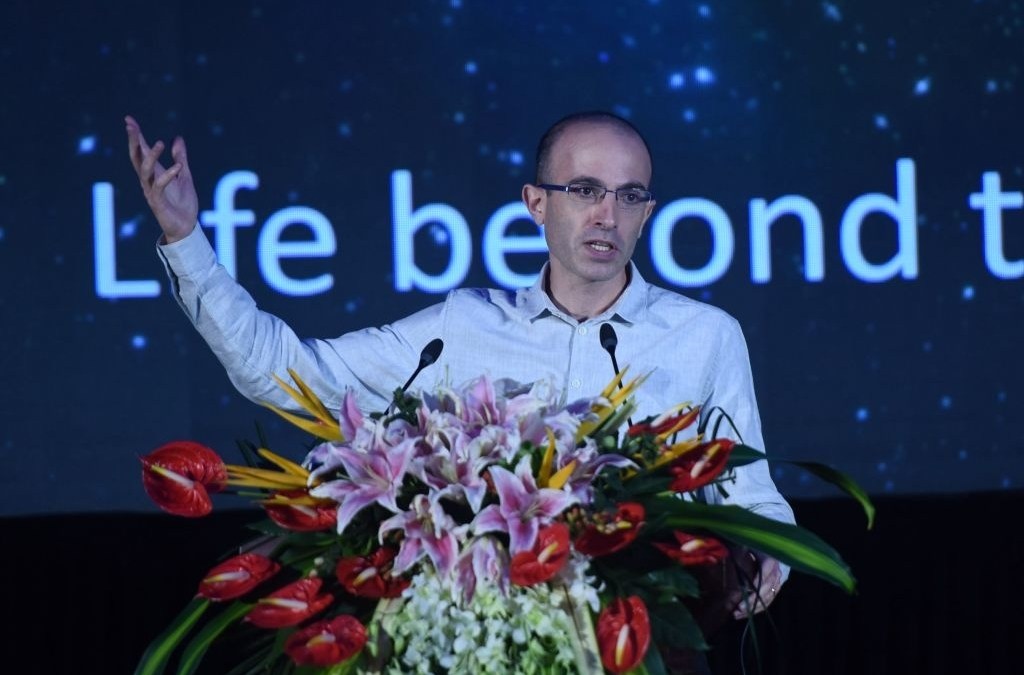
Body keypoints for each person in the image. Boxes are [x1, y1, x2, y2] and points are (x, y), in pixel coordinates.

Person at [125, 110, 793, 637]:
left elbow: (755, 503)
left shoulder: (704, 337)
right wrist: (187, 241)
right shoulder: (461, 328)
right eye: (585, 190)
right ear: (537, 203)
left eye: (629, 195)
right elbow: (285, 373)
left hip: (641, 645)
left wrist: (769, 558)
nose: (606, 215)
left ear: (647, 212)